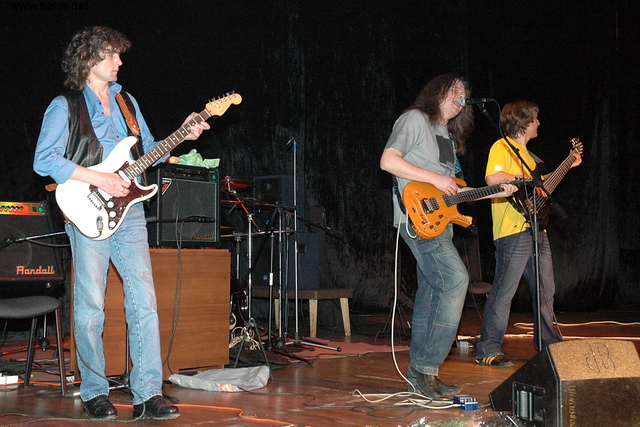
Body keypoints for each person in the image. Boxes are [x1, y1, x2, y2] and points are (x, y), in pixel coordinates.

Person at [33, 26, 210, 420]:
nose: (119, 61)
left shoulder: (126, 102)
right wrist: (100, 179)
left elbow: (149, 151)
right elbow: (44, 160)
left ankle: (148, 393)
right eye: (111, 54)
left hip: (129, 213)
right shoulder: (65, 105)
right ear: (89, 59)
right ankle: (95, 392)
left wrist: (183, 134)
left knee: (144, 301)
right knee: (91, 305)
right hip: (87, 211)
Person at [380, 74, 517, 400]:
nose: (461, 96)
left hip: (441, 223)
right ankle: (426, 367)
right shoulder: (415, 119)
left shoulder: (448, 137)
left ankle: (422, 373)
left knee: (432, 293)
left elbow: (454, 191)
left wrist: (495, 192)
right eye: (455, 90)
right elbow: (388, 161)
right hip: (416, 218)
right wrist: (434, 179)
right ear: (437, 92)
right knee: (456, 280)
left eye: (464, 92)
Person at [475, 100, 581, 366]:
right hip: (512, 230)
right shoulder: (502, 147)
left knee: (546, 290)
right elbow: (492, 178)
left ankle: (548, 346)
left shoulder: (529, 157)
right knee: (504, 291)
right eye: (535, 118)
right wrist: (520, 179)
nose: (539, 123)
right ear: (524, 121)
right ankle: (488, 349)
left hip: (536, 230)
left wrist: (568, 164)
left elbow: (540, 189)